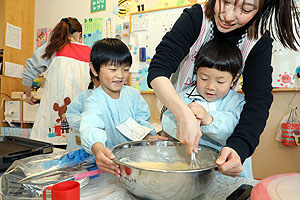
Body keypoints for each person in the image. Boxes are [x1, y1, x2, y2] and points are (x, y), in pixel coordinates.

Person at [147, 0, 300, 177]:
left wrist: (239, 147)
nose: (227, 16)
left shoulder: (257, 40)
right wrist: (183, 114)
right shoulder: (196, 18)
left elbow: (258, 102)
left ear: (260, 10)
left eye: (246, 9)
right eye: (225, 1)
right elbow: (158, 69)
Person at [162, 39, 253, 178]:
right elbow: (168, 120)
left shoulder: (237, 102)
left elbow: (236, 130)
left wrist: (209, 120)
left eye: (220, 81)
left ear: (233, 80)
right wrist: (185, 122)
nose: (210, 86)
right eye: (204, 78)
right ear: (196, 73)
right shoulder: (185, 96)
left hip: (227, 175)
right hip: (192, 172)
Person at [79, 38, 167, 177]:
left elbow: (141, 121)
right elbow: (90, 127)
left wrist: (148, 137)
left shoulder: (133, 94)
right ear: (95, 69)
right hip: (110, 165)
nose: (120, 75)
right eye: (113, 69)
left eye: (125, 69)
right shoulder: (94, 101)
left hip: (135, 163)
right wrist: (98, 149)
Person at [22, 17, 91, 147]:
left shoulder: (52, 48)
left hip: (51, 128)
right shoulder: (90, 52)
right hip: (81, 125)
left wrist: (28, 94)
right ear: (79, 34)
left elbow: (28, 73)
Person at [66, 70, 101, 150]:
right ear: (93, 79)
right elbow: (72, 116)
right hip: (79, 146)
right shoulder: (84, 96)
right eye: (98, 79)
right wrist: (89, 126)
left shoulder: (116, 99)